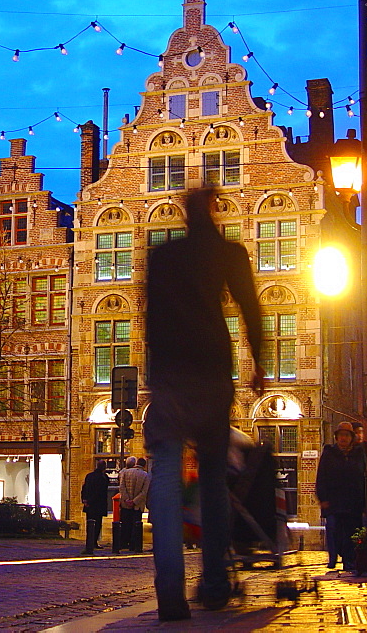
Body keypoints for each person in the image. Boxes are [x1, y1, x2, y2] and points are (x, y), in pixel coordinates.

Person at [145, 185, 264, 621]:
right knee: (212, 478)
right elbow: (251, 309)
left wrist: (155, 376)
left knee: (165, 474)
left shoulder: (162, 257)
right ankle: (214, 584)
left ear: (181, 214)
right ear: (214, 210)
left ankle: (169, 594)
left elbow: (150, 316)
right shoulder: (228, 253)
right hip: (212, 371)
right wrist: (261, 364)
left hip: (171, 373)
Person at [316, 422, 367, 574]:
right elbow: (321, 477)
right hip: (333, 501)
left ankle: (348, 560)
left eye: (346, 435)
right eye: (341, 435)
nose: (343, 438)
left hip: (352, 501)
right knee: (333, 529)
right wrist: (323, 497)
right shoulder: (329, 453)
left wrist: (362, 499)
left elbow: (362, 475)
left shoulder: (358, 453)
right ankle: (333, 557)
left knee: (351, 531)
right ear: (336, 437)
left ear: (351, 438)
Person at [118, 456, 150, 550]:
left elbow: (122, 487)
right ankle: (133, 545)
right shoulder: (145, 475)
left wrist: (127, 499)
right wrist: (134, 501)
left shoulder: (126, 472)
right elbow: (144, 492)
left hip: (125, 504)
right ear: (144, 465)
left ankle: (123, 543)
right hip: (137, 506)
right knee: (135, 526)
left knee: (125, 524)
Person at [81, 460, 110, 549]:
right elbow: (100, 492)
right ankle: (93, 542)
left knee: (89, 523)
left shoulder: (89, 476)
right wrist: (90, 501)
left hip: (89, 505)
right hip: (98, 505)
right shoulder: (103, 477)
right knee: (97, 524)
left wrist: (85, 500)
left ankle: (89, 541)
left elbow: (84, 488)